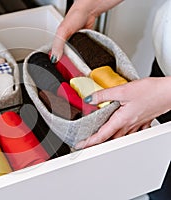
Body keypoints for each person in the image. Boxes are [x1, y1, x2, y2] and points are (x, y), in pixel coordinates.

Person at [50, 0, 171, 199]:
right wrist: (89, 6)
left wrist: (166, 94)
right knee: (153, 176)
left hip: (162, 92)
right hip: (163, 70)